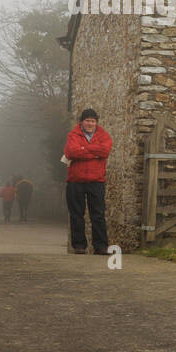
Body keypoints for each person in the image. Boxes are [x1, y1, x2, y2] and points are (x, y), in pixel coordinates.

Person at [63, 108, 113, 254]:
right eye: (87, 121)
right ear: (82, 122)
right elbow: (71, 152)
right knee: (76, 214)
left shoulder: (103, 135)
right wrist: (94, 152)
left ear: (96, 122)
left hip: (96, 181)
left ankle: (101, 246)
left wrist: (84, 149)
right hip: (75, 181)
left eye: (93, 121)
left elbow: (105, 151)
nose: (90, 123)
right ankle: (79, 246)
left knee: (98, 215)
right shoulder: (73, 135)